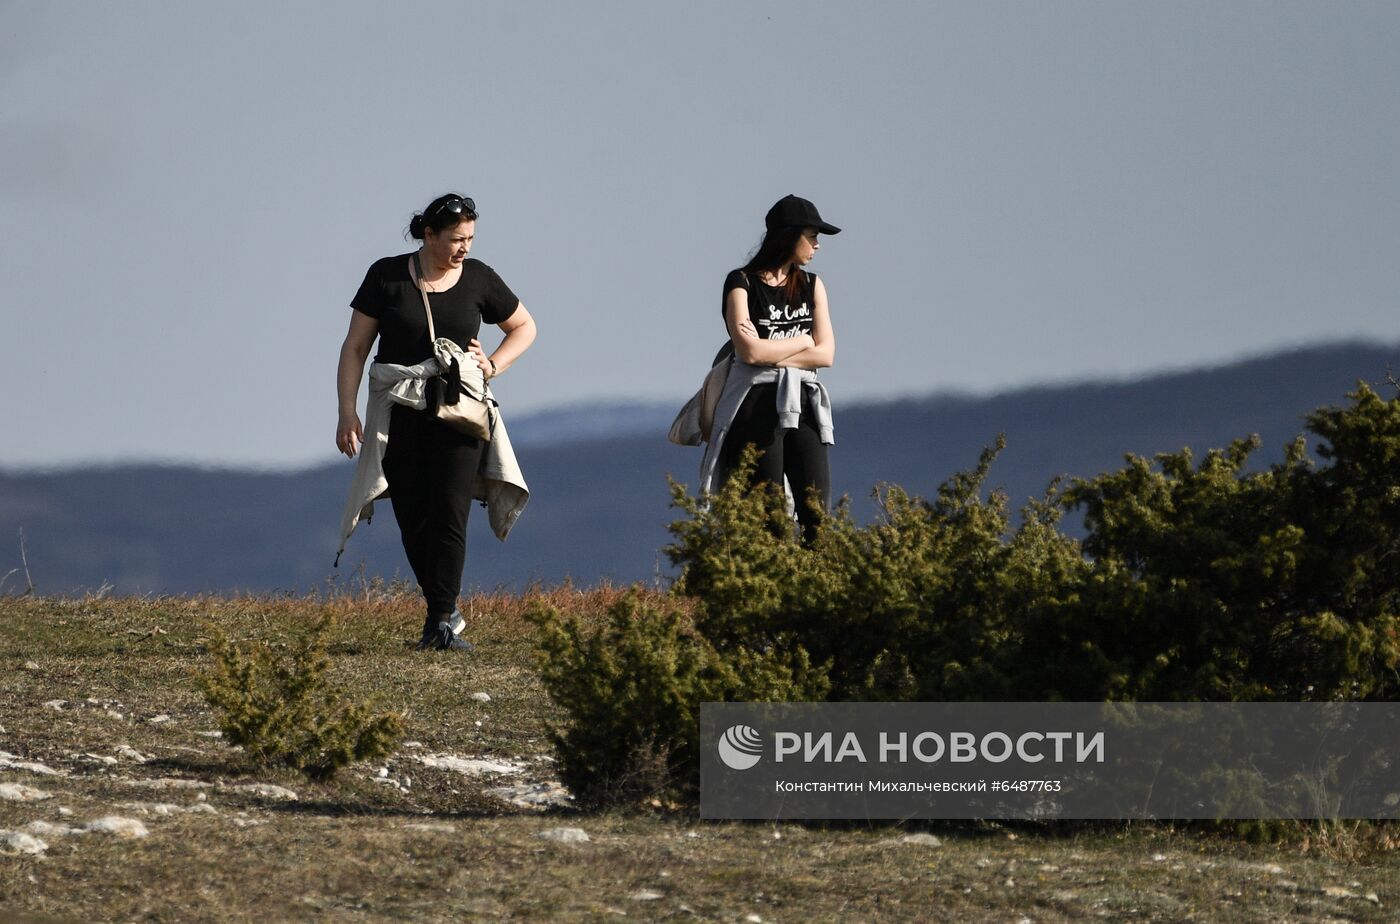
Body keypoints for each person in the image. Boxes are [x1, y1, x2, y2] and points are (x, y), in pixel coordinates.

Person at [335, 193, 537, 651]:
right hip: (400, 412)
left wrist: (493, 365)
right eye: (455, 239)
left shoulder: (480, 278)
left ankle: (441, 620)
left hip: (460, 411)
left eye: (470, 238)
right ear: (428, 235)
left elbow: (524, 327)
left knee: (450, 512)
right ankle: (443, 610)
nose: (463, 247)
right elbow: (355, 348)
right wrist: (347, 411)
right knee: (412, 514)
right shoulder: (385, 275)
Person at [700, 194, 839, 543]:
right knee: (769, 512)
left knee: (816, 510)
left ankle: (817, 585)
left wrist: (772, 352)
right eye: (812, 235)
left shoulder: (812, 285)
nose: (817, 245)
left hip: (803, 404)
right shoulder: (741, 283)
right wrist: (802, 342)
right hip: (753, 404)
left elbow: (827, 355)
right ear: (788, 235)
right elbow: (748, 351)